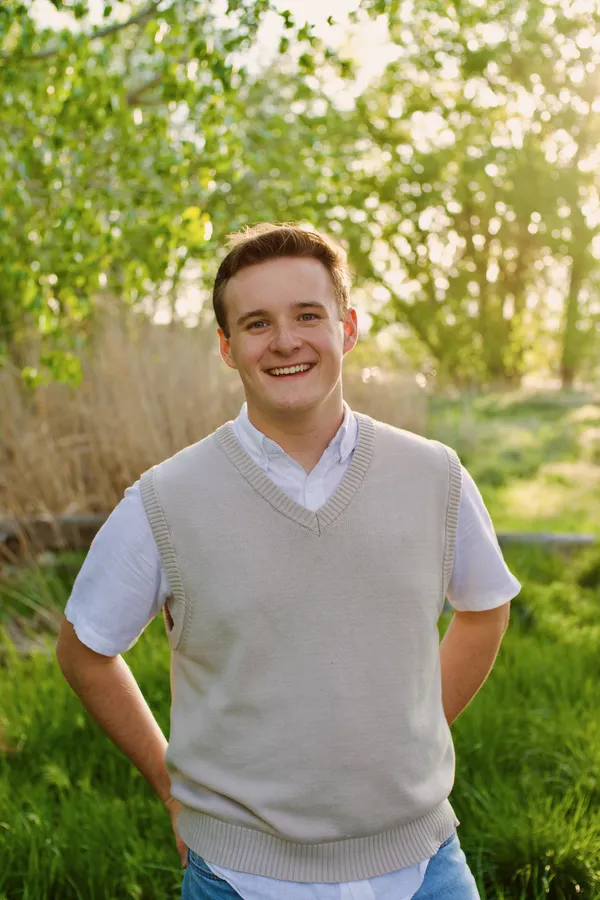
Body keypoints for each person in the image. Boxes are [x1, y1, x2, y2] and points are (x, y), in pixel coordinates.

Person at [57, 223, 520, 900]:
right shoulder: (166, 500)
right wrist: (168, 782)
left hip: (424, 866)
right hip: (240, 877)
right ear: (227, 347)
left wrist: (409, 726)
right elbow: (84, 650)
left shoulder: (434, 476)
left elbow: (485, 609)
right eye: (255, 323)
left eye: (308, 315)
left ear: (348, 327)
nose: (285, 341)